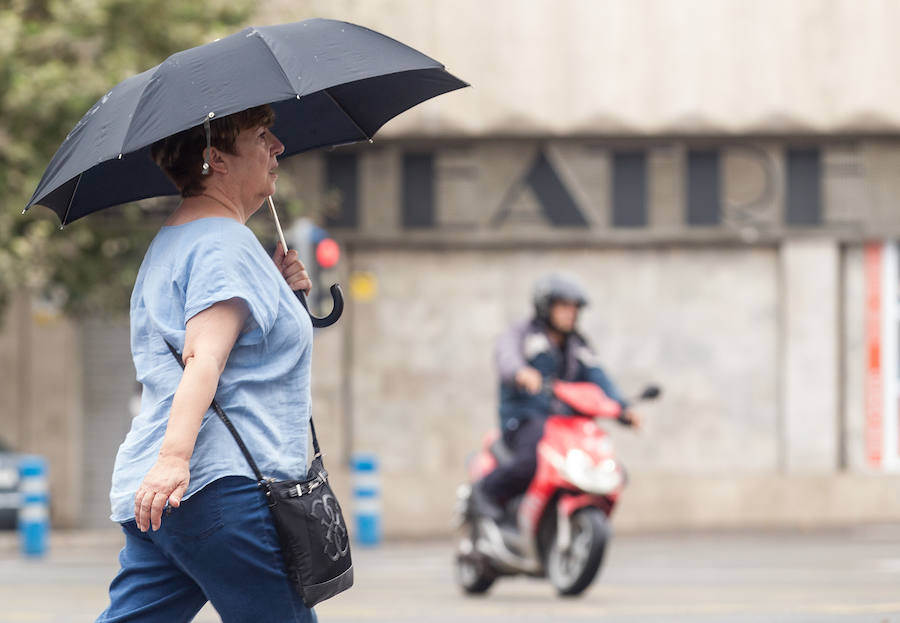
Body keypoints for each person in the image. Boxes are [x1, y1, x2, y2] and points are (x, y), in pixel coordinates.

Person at [97, 105, 318, 622]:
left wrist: (280, 294)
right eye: (261, 136)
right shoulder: (224, 243)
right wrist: (175, 460)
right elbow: (204, 358)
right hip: (219, 487)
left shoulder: (177, 239)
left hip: (166, 497)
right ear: (216, 159)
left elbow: (232, 351)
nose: (278, 147)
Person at [473, 273, 642, 520]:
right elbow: (506, 356)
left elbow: (600, 378)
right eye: (563, 306)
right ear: (546, 306)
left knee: (607, 464)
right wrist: (521, 372)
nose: (570, 313)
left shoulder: (579, 346)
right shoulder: (522, 335)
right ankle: (484, 493)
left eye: (574, 308)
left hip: (565, 425)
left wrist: (623, 409)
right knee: (530, 462)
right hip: (524, 418)